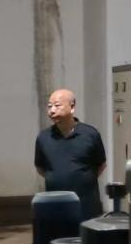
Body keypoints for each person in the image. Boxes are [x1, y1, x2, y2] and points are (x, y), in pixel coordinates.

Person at [34, 89, 107, 220]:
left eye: (57, 105)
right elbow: (40, 168)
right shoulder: (43, 137)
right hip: (55, 205)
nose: (52, 110)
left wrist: (82, 179)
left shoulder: (90, 134)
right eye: (49, 106)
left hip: (86, 205)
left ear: (72, 107)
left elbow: (101, 164)